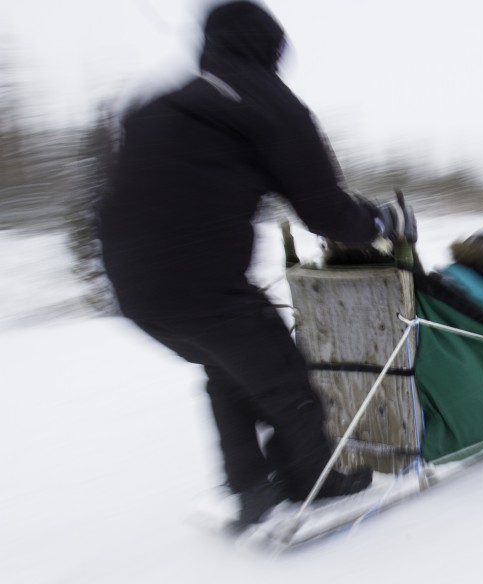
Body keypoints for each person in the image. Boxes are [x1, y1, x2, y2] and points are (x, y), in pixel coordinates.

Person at [99, 1, 415, 529]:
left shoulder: (161, 106)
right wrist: (383, 222)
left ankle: (250, 487)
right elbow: (324, 209)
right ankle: (316, 479)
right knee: (285, 381)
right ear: (270, 49)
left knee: (226, 372)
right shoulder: (268, 102)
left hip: (132, 288)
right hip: (202, 283)